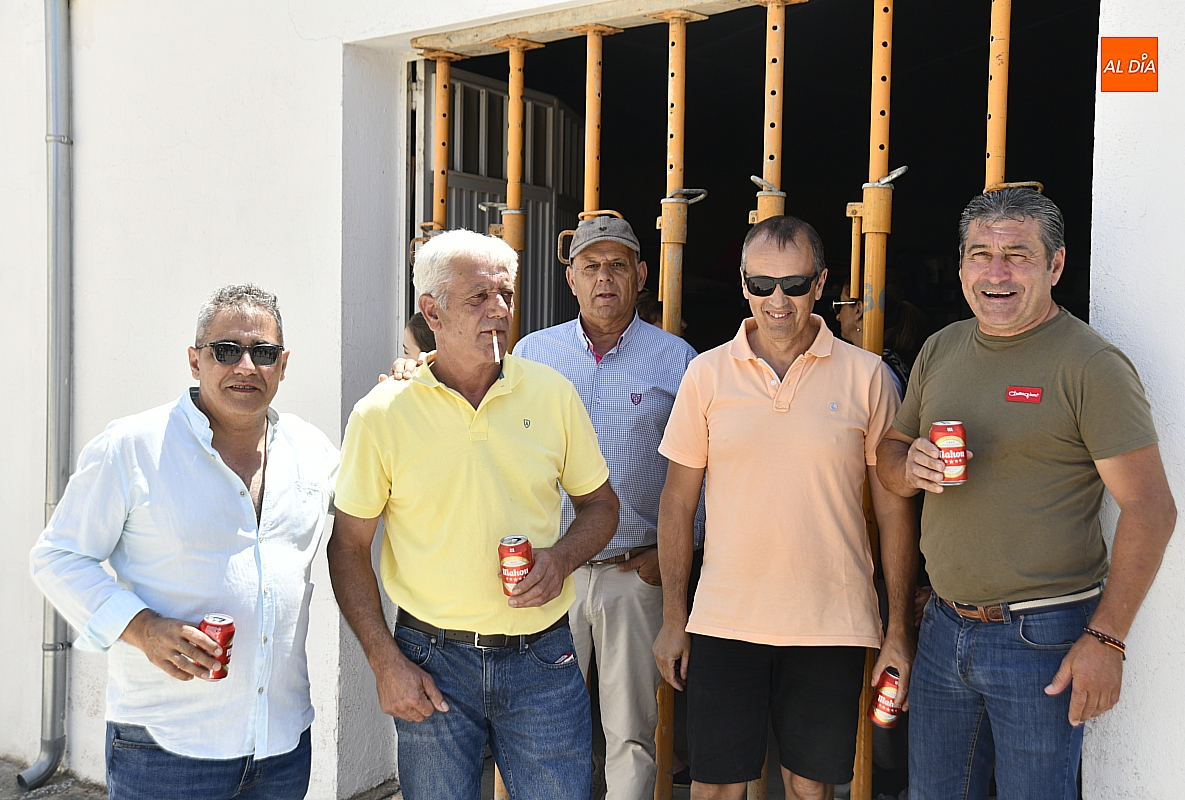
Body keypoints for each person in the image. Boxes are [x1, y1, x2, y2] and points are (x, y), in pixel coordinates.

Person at [876, 188, 1177, 799]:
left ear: (1055, 265)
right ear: (961, 265)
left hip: (1043, 636)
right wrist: (908, 468)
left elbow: (1151, 508)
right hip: (943, 626)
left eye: (1017, 255)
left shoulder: (1090, 364)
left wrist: (1107, 637)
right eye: (980, 254)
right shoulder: (941, 348)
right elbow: (889, 451)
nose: (996, 273)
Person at [328, 229, 620, 800]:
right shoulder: (382, 414)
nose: (499, 311)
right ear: (431, 311)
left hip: (543, 654)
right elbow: (347, 546)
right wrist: (385, 662)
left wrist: (561, 559)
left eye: (506, 294)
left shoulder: (552, 393)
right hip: (430, 660)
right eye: (479, 297)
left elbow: (601, 505)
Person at [29, 284, 338, 800]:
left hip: (281, 746)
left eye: (263, 353)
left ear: (283, 365)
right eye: (226, 350)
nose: (246, 366)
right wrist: (142, 628)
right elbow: (58, 557)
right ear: (195, 361)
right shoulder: (133, 446)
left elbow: (380, 497)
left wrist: (411, 385)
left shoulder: (312, 450)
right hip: (166, 750)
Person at [653, 216, 919, 800]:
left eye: (795, 285)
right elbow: (677, 504)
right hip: (724, 619)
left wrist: (897, 629)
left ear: (820, 284)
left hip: (832, 623)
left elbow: (895, 511)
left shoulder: (868, 376)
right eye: (762, 284)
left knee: (809, 789)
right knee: (715, 790)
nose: (778, 300)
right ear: (744, 284)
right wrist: (674, 618)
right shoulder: (706, 374)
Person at [513, 214, 704, 798]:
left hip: (632, 574)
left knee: (631, 734)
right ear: (570, 278)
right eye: (590, 266)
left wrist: (675, 553)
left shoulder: (678, 360)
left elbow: (704, 471)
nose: (604, 278)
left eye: (617, 265)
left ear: (641, 276)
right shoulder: (532, 354)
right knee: (544, 727)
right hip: (551, 572)